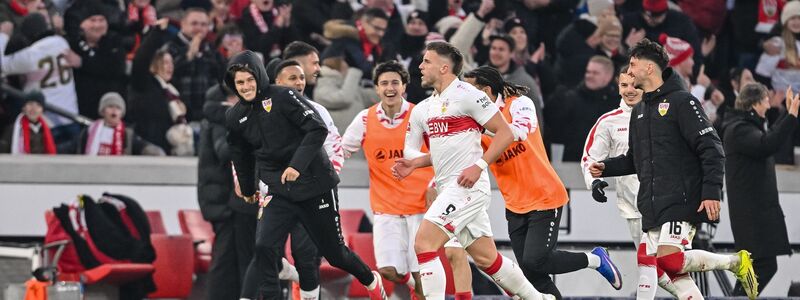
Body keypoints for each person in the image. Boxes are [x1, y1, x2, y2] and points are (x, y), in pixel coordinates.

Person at [589, 38, 759, 300]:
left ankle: (735, 262)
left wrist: (711, 191)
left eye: (633, 64)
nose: (629, 71)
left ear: (649, 68)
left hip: (681, 198)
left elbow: (712, 149)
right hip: (652, 204)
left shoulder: (683, 102)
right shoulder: (640, 111)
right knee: (662, 272)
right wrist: (606, 168)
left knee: (669, 261)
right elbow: (636, 160)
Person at [391, 41, 550, 300]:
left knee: (424, 243)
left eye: (426, 61)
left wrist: (479, 166)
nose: (420, 66)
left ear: (444, 67)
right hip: (448, 188)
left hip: (468, 188)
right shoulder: (423, 109)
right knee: (487, 258)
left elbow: (505, 133)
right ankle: (539, 298)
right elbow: (410, 151)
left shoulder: (469, 95)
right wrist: (414, 163)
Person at [224, 50, 388, 300]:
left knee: (335, 254)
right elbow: (240, 155)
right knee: (264, 246)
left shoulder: (284, 95)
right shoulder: (235, 116)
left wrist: (296, 166)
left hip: (314, 185)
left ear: (259, 76)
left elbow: (317, 129)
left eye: (249, 80)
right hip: (278, 190)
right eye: (239, 83)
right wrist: (247, 189)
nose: (245, 86)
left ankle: (369, 279)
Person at [459, 66, 623, 299]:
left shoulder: (519, 103)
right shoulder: (473, 120)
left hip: (544, 196)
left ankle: (596, 259)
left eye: (469, 90)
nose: (464, 96)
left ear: (485, 90)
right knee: (532, 276)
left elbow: (520, 131)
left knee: (536, 260)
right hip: (514, 203)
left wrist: (482, 129)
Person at [581, 67, 680, 297]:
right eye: (624, 85)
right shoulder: (608, 122)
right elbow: (589, 158)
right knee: (659, 268)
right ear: (618, 87)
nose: (630, 90)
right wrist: (593, 182)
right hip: (635, 209)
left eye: (634, 85)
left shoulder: (665, 112)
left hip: (669, 205)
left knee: (668, 263)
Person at [341, 61, 433, 299]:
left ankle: (419, 287)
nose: (389, 88)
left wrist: (437, 186)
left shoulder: (421, 114)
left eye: (395, 82)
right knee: (388, 271)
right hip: (386, 209)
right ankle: (415, 286)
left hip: (421, 207)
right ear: (376, 88)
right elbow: (341, 151)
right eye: (384, 83)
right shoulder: (364, 119)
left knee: (422, 271)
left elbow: (443, 152)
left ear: (404, 86)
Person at [721, 83, 799, 296]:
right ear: (754, 104)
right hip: (751, 215)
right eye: (765, 99)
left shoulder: (745, 127)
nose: (768, 103)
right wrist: (791, 116)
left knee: (761, 268)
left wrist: (787, 116)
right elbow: (767, 144)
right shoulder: (739, 129)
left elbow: (769, 139)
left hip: (755, 212)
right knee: (763, 267)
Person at [197, 84, 259, 300]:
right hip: (226, 202)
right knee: (226, 263)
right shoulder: (223, 119)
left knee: (228, 262)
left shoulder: (217, 118)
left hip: (223, 200)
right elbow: (224, 151)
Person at [77, 92, 163, 156]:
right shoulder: (89, 131)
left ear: (122, 113)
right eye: (110, 106)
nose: (114, 110)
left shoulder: (126, 133)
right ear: (102, 111)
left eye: (118, 108)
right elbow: (73, 146)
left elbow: (140, 145)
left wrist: (154, 151)